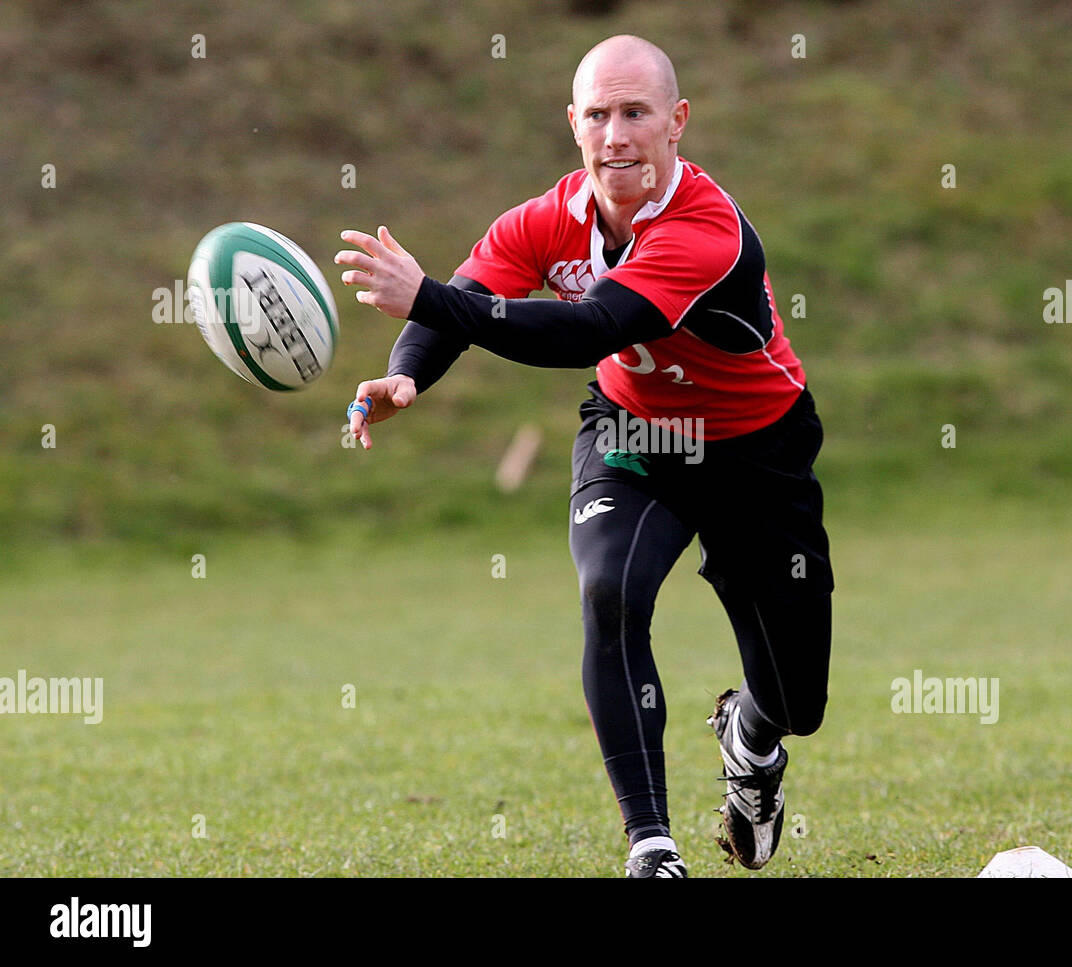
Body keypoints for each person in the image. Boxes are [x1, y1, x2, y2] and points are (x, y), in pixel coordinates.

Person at [334, 35, 833, 878]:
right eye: (598, 114)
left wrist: (425, 298)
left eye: (636, 112)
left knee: (799, 699)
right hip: (636, 434)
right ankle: (652, 845)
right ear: (574, 124)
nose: (616, 134)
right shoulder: (548, 218)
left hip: (756, 449)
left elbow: (588, 330)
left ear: (677, 123)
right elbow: (473, 295)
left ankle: (750, 734)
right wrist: (404, 373)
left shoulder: (705, 229)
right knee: (608, 591)